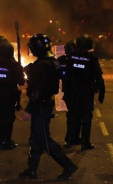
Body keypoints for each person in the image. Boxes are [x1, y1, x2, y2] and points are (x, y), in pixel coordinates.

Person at [19, 34, 78, 181]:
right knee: (35, 138)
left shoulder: (41, 64)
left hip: (40, 105)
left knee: (44, 139)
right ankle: (31, 169)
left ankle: (68, 166)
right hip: (45, 102)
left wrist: (29, 109)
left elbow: (38, 89)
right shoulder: (53, 61)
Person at [65, 34, 105, 151]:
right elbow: (99, 77)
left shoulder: (70, 56)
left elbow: (66, 74)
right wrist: (102, 93)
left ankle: (71, 139)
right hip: (86, 92)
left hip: (72, 91)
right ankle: (85, 142)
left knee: (74, 115)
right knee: (86, 117)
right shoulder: (91, 57)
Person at [0, 40, 25, 150]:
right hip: (9, 94)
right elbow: (21, 82)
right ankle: (6, 141)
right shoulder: (14, 65)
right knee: (8, 118)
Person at [57, 40, 81, 148]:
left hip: (69, 91)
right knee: (75, 115)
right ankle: (71, 138)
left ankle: (73, 137)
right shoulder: (76, 60)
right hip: (75, 91)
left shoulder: (61, 60)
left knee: (73, 114)